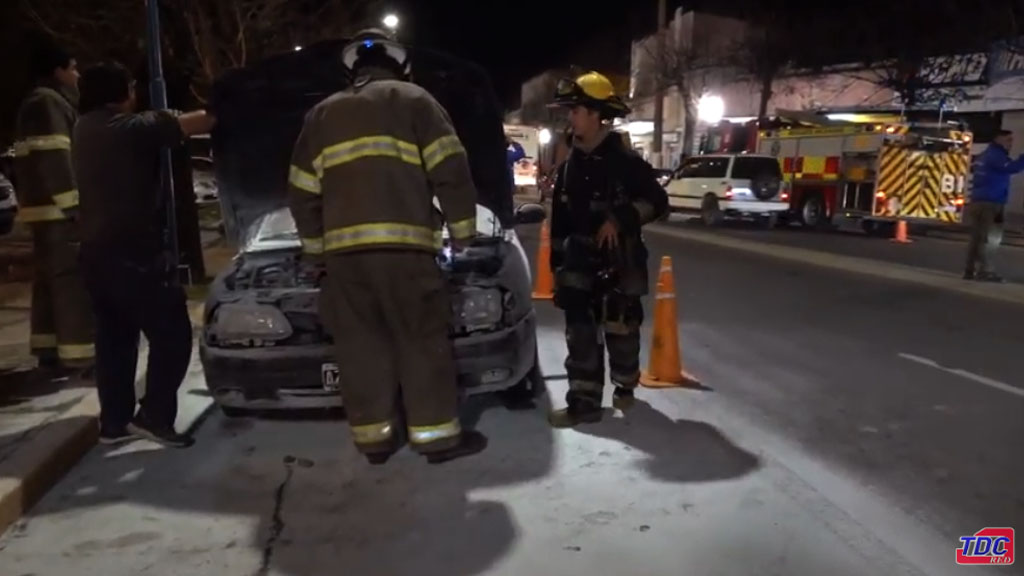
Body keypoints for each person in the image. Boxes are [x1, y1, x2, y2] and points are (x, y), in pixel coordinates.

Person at [287, 29, 487, 465]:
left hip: (344, 261)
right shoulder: (415, 101)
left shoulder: (321, 115)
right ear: (401, 67)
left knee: (360, 346)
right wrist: (463, 233)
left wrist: (316, 252)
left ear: (352, 70)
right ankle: (435, 438)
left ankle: (374, 440)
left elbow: (302, 191)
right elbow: (451, 169)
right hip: (406, 251)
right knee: (420, 341)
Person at [72, 61, 216, 447]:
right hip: (134, 254)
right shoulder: (127, 129)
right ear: (123, 92)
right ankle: (153, 414)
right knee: (172, 333)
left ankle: (115, 423)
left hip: (97, 254)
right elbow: (201, 123)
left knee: (115, 341)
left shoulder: (84, 128)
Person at [546, 71, 669, 428]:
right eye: (571, 111)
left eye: (578, 110)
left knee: (621, 333)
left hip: (619, 265)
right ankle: (583, 404)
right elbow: (559, 226)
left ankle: (625, 386)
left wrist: (621, 219)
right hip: (578, 265)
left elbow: (658, 202)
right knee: (580, 336)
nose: (571, 117)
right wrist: (557, 269)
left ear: (598, 115)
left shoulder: (626, 164)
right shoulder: (569, 169)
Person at [13, 37, 95, 376]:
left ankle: (48, 350)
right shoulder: (49, 104)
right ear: (58, 71)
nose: (77, 76)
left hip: (42, 211)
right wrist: (75, 206)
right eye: (73, 68)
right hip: (58, 212)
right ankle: (81, 357)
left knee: (48, 283)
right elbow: (56, 159)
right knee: (70, 283)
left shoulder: (33, 103)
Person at [964, 129, 1024, 283]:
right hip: (991, 203)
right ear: (998, 139)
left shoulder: (984, 155)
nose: (1011, 143)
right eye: (1008, 140)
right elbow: (1011, 168)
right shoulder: (996, 156)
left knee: (977, 237)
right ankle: (986, 271)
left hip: (978, 200)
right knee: (990, 239)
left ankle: (970, 270)